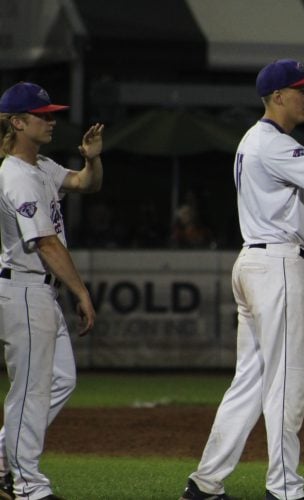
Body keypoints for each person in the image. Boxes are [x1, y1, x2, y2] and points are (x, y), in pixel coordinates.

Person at [179, 58, 304, 500]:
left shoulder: (263, 142)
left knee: (252, 382)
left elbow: (277, 215)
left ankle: (205, 483)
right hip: (274, 268)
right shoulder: (270, 142)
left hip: (260, 260)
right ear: (278, 97)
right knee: (287, 379)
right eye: (302, 89)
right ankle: (284, 489)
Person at [0, 82, 102, 499]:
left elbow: (84, 184)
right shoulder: (17, 175)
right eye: (42, 115)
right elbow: (45, 242)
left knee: (59, 380)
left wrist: (92, 161)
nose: (51, 119)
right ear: (18, 123)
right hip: (23, 289)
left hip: (38, 292)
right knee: (31, 388)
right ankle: (26, 486)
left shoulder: (40, 165)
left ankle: (5, 461)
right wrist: (81, 291)